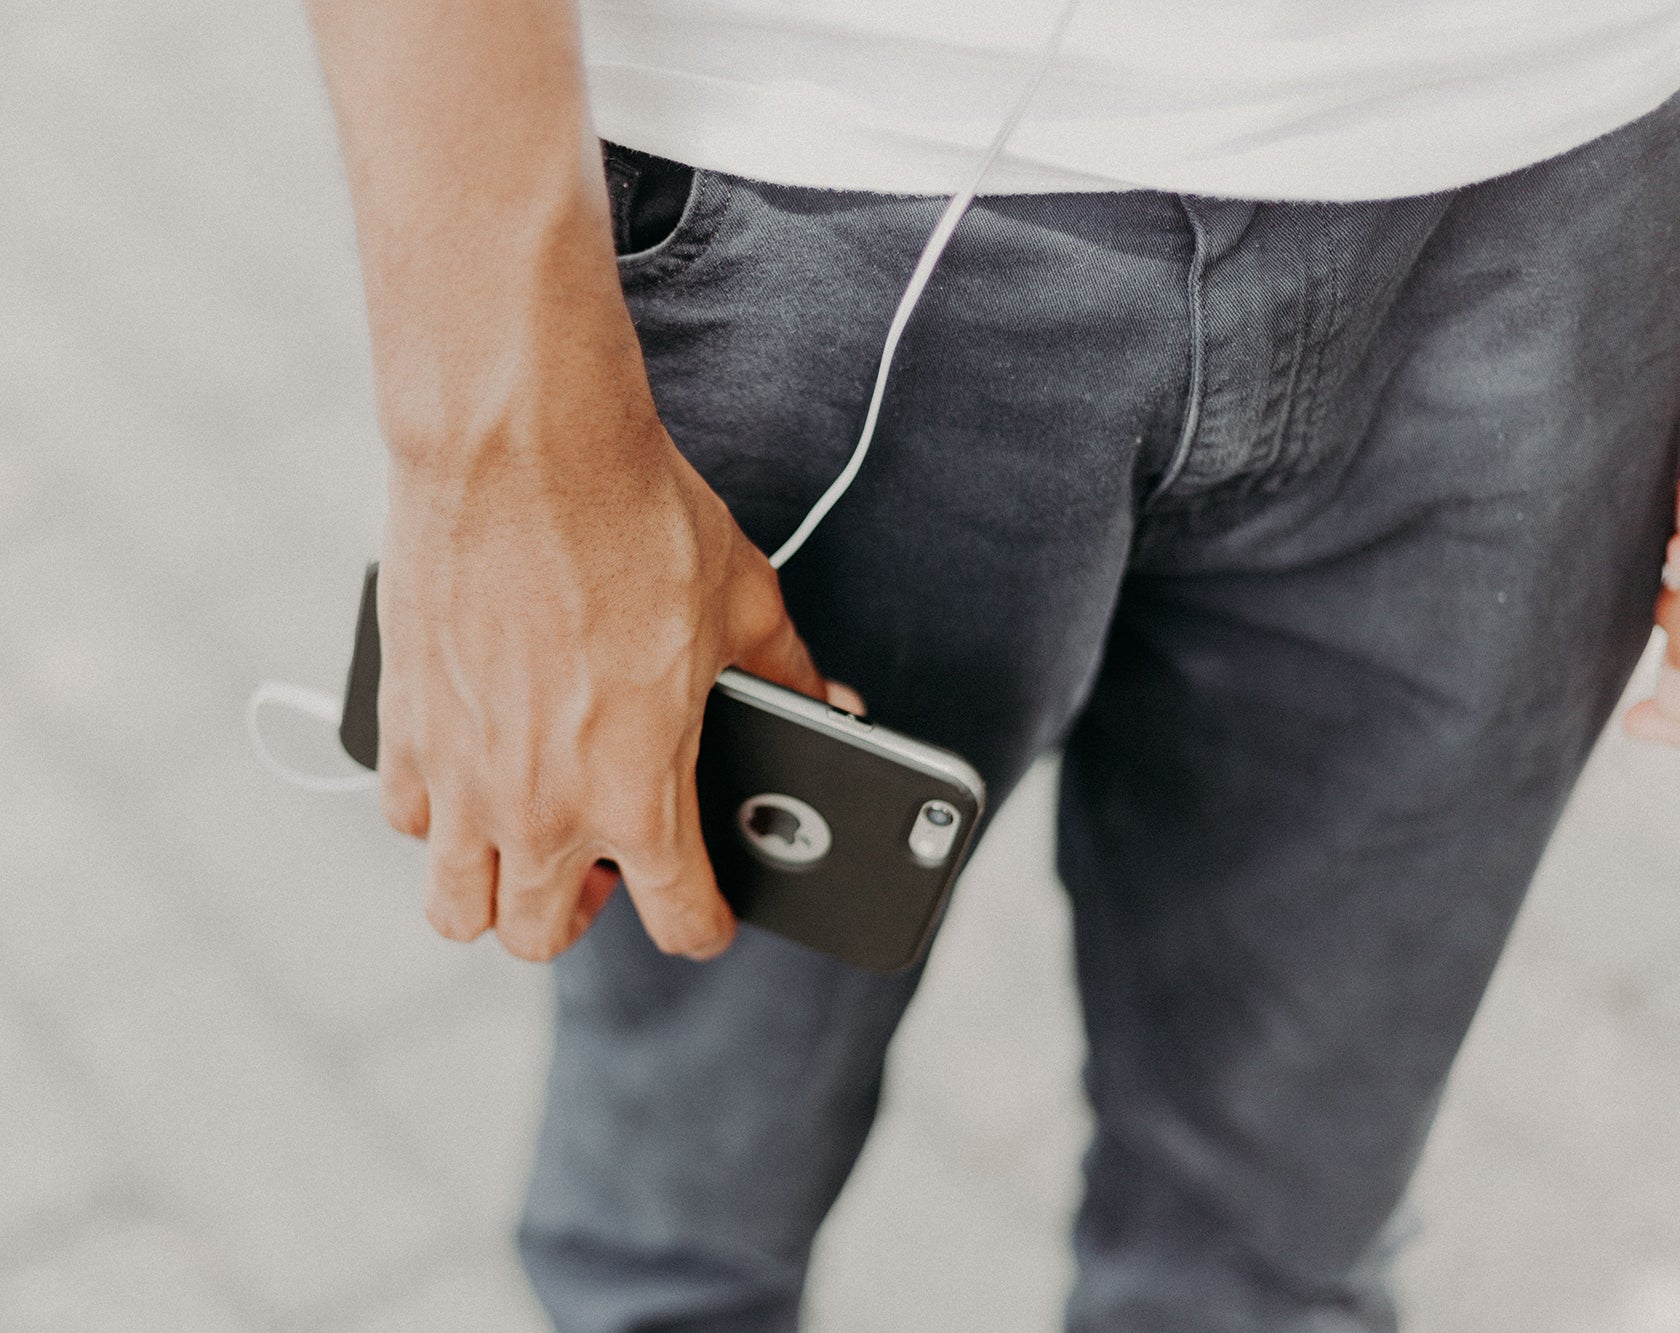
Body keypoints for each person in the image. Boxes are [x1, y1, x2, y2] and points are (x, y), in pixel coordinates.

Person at [299, 0, 1680, 1327]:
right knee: (677, 1227)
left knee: (1272, 1263)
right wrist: (494, 431)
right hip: (809, 184)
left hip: (1548, 187)